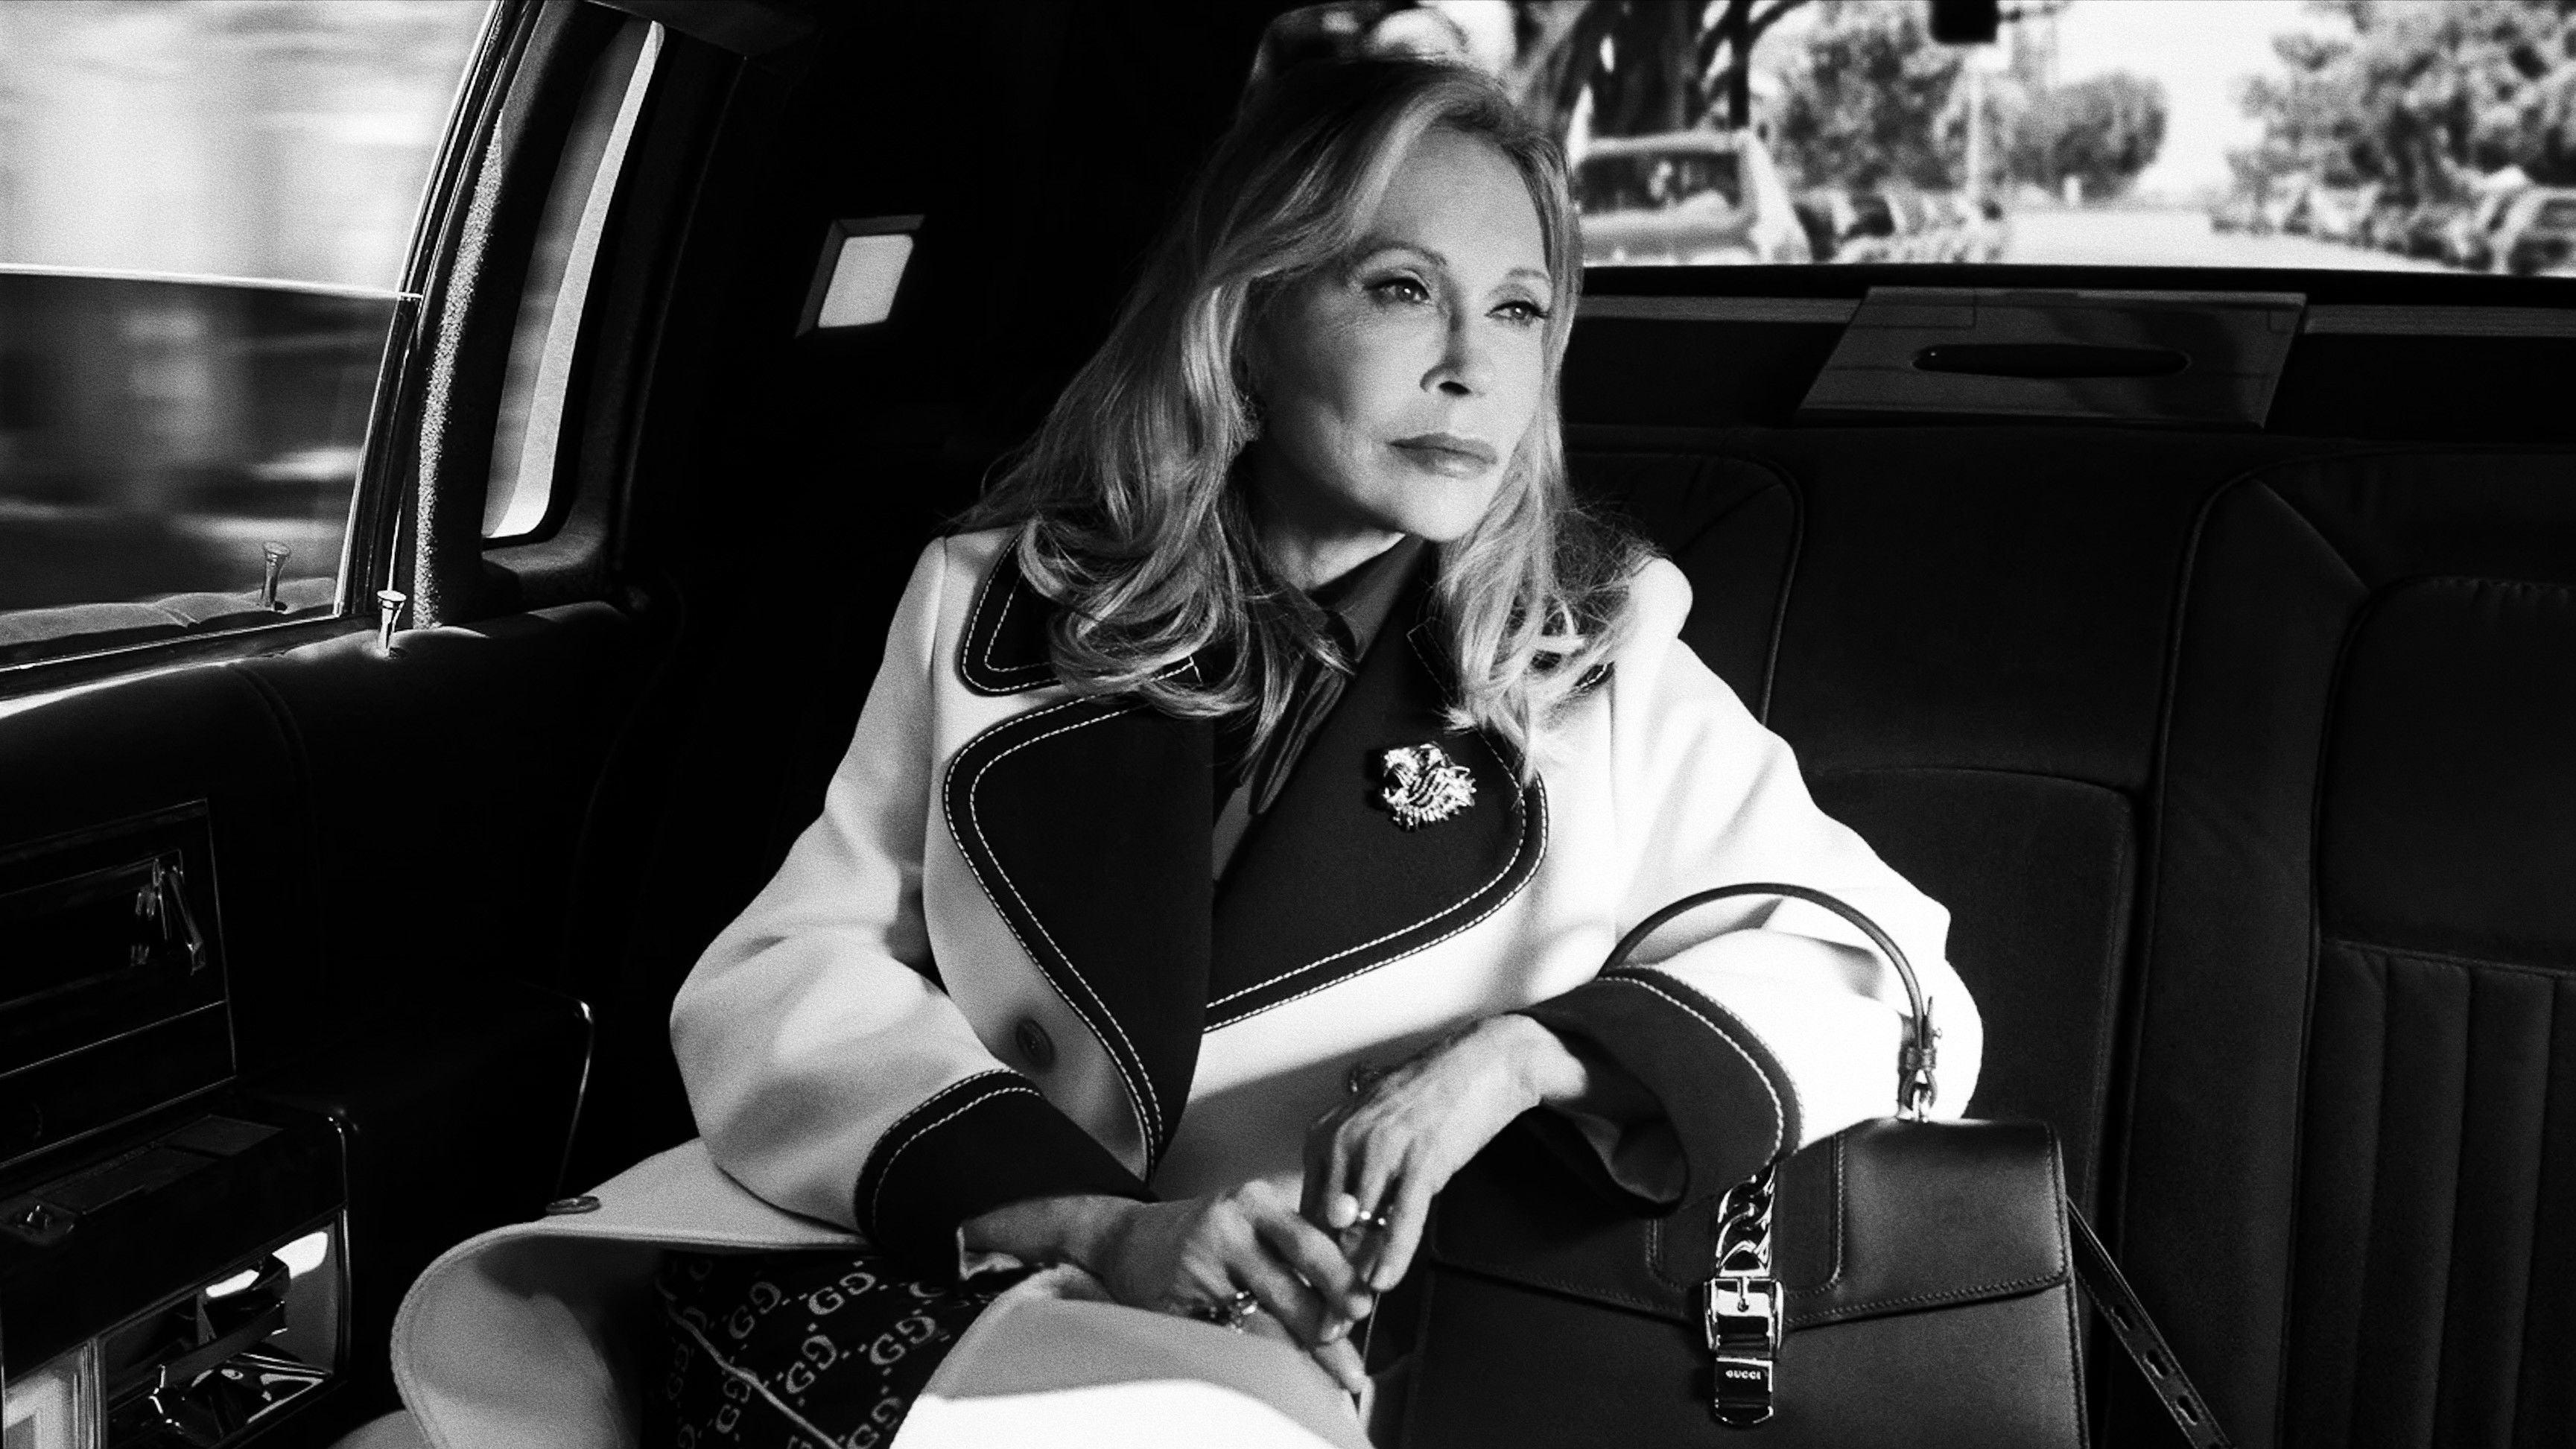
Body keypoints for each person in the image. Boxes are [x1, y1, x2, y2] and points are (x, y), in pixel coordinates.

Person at [632, 54, 1983, 1448]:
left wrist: (1518, 1059)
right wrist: (1085, 1220)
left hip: (1342, 1363)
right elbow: (786, 971)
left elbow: (1894, 984)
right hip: (1006, 1284)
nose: (1469, 365)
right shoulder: (992, 602)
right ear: (1247, 317)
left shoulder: (1593, 651)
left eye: (1517, 310)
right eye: (1401, 289)